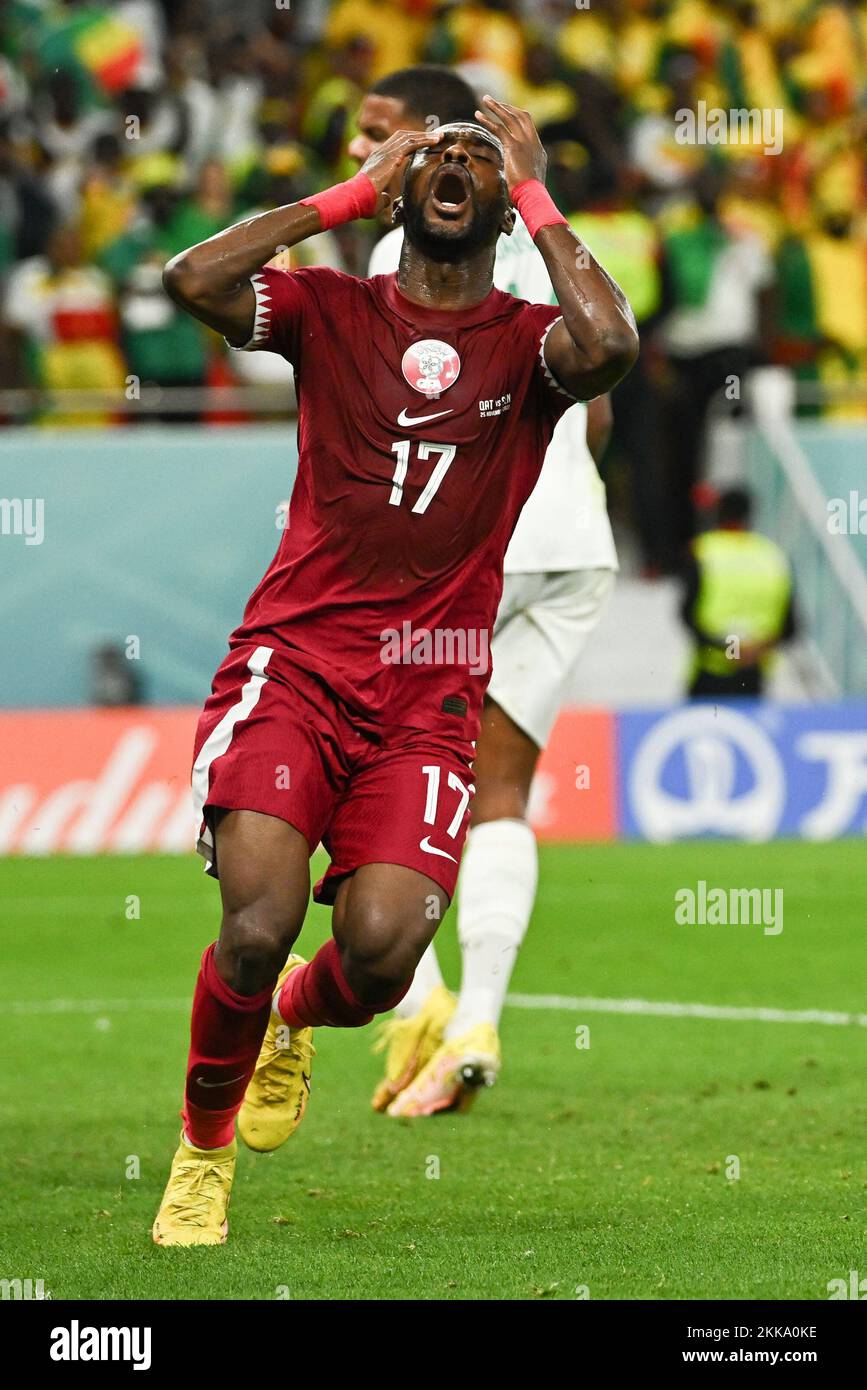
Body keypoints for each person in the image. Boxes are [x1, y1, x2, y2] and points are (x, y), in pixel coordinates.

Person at [152, 98, 637, 1245]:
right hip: (297, 664)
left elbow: (613, 345)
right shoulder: (328, 306)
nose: (454, 166)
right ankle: (201, 1158)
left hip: (430, 695)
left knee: (376, 958)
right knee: (257, 922)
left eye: (477, 155)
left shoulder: (528, 345)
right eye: (435, 156)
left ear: (499, 200)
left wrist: (537, 189)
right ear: (402, 194)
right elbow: (191, 281)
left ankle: (291, 1023)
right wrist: (339, 200)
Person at [350, 66, 619, 1117]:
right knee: (500, 790)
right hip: (574, 539)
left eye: (380, 131)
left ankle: (418, 998)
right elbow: (594, 401)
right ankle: (480, 1019)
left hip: (472, 552)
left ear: (436, 139)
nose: (361, 149)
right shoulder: (555, 242)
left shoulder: (403, 249)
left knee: (364, 765)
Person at [680, 487, 797, 699]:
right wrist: (752, 650)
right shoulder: (773, 556)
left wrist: (731, 649)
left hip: (710, 674)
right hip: (754, 674)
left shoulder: (704, 551)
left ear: (719, 513)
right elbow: (790, 628)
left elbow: (687, 615)